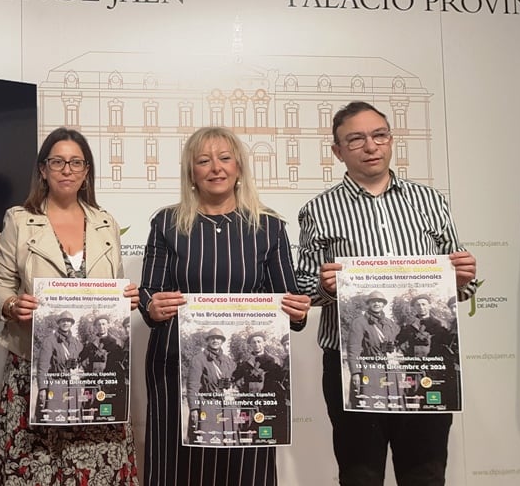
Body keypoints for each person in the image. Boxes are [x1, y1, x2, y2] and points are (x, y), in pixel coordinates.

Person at [296, 101, 478, 485]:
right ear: (338, 151)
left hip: (424, 360)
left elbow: (457, 282)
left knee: (425, 473)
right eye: (356, 139)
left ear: (391, 140)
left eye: (379, 135)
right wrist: (327, 288)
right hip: (352, 363)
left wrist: (463, 279)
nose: (371, 146)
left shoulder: (431, 202)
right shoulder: (318, 209)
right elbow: (304, 286)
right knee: (360, 473)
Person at [138, 126, 310, 486]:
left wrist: (297, 311)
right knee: (175, 467)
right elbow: (148, 293)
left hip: (246, 374)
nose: (215, 167)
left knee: (246, 464)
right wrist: (151, 307)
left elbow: (289, 305)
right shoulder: (166, 223)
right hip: (175, 368)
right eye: (203, 160)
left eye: (224, 158)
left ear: (239, 168)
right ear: (191, 173)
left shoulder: (270, 227)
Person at [0, 127, 140, 485]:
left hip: (97, 370)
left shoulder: (106, 224)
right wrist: (11, 304)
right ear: (43, 169)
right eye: (57, 161)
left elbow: (115, 286)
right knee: (37, 468)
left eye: (75, 162)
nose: (66, 169)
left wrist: (126, 300)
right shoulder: (20, 221)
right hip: (35, 368)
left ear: (86, 171)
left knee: (98, 469)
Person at [345, 292, 401, 410]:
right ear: (368, 304)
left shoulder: (390, 323)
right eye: (373, 301)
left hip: (390, 368)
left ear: (384, 304)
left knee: (393, 405)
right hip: (370, 369)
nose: (377, 303)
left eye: (380, 301)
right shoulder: (359, 322)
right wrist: (355, 372)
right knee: (370, 405)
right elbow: (353, 349)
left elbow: (397, 343)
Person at [184, 328, 238, 445]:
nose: (215, 340)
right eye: (212, 338)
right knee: (207, 441)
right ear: (207, 341)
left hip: (226, 406)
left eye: (218, 338)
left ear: (222, 341)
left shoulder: (228, 360)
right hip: (208, 405)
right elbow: (192, 386)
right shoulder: (198, 359)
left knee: (228, 441)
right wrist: (194, 408)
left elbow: (231, 380)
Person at [34, 310, 83, 422]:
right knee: (54, 419)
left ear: (71, 324)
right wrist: (42, 388)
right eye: (63, 321)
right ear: (59, 323)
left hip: (73, 385)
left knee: (73, 419)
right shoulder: (50, 341)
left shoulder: (77, 343)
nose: (65, 323)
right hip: (56, 385)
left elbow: (82, 361)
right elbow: (42, 366)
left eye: (68, 321)